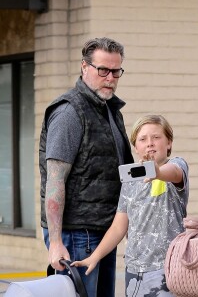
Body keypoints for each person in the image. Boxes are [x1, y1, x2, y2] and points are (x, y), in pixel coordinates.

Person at [39, 37, 134, 297]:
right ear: (84, 67)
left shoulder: (110, 110)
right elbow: (55, 180)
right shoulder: (70, 112)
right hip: (76, 234)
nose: (111, 77)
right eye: (103, 70)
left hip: (103, 232)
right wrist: (56, 242)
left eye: (116, 71)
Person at [72, 114, 189, 296]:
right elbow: (119, 227)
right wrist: (94, 257)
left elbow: (173, 173)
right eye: (143, 139)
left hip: (167, 269)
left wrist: (156, 172)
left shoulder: (176, 165)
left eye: (156, 137)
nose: (150, 143)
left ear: (169, 143)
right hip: (134, 272)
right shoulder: (130, 180)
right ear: (136, 147)